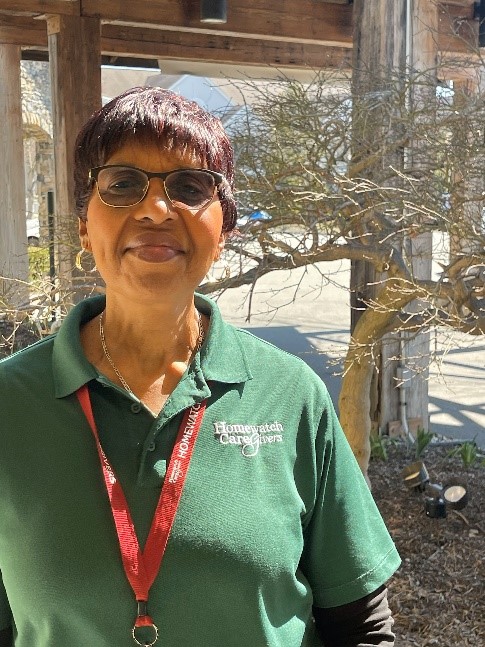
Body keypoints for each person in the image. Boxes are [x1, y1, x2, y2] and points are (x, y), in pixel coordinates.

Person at [0, 87, 400, 647]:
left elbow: (360, 626)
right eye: (121, 184)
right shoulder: (10, 403)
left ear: (225, 230)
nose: (156, 209)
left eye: (190, 187)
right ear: (85, 226)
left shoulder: (291, 395)